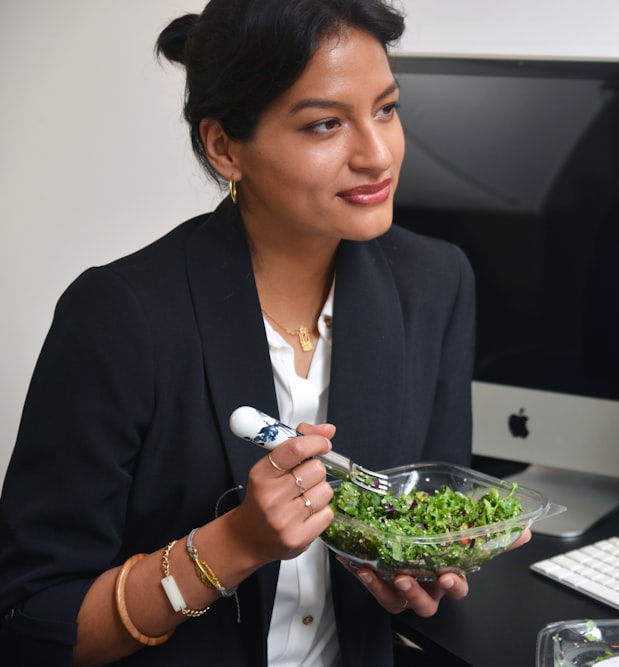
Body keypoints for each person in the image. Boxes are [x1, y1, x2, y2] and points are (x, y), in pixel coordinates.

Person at [0, 1, 521, 665]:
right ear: (224, 147)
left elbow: (427, 518)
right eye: (326, 124)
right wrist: (235, 543)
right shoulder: (119, 316)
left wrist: (411, 569)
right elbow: (32, 621)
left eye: (386, 109)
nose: (377, 153)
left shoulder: (436, 283)